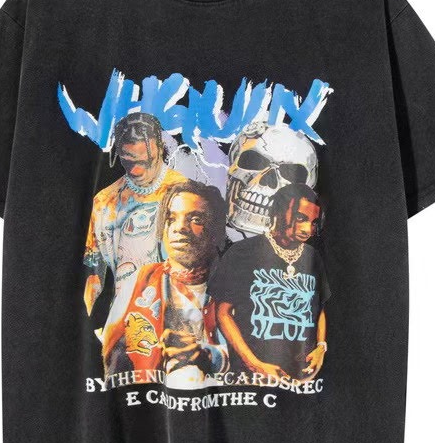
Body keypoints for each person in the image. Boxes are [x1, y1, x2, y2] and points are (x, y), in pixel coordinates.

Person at [102, 180, 229, 388]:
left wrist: (211, 356)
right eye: (171, 219)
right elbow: (109, 353)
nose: (180, 228)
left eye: (195, 219)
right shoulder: (141, 280)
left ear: (215, 231)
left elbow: (260, 352)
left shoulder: (234, 282)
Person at [208, 183, 330, 382]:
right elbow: (223, 313)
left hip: (302, 379)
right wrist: (254, 364)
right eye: (300, 218)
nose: (307, 229)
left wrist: (321, 348)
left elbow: (319, 308)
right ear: (278, 213)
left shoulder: (312, 257)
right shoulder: (243, 252)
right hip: (252, 378)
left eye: (313, 222)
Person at [83, 112, 186, 335]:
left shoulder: (188, 194)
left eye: (144, 161)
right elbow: (93, 275)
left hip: (180, 323)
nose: (136, 170)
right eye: (128, 160)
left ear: (160, 149)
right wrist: (87, 324)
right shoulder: (104, 202)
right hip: (128, 322)